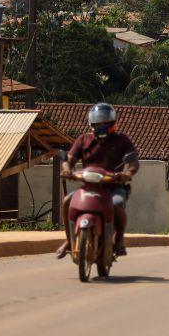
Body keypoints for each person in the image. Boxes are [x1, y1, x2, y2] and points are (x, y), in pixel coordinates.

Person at [55, 103, 140, 260]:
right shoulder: (84, 140)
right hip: (88, 186)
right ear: (91, 123)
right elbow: (69, 159)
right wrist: (66, 169)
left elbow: (134, 163)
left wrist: (127, 173)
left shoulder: (122, 140)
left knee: (116, 204)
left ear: (112, 122)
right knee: (67, 201)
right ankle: (69, 240)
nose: (101, 125)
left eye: (105, 121)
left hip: (113, 186)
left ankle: (119, 239)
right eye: (98, 122)